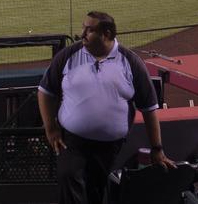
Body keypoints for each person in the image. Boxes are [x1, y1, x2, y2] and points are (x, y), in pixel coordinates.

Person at [37, 12, 174, 204]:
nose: (82, 34)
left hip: (109, 145)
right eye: (83, 27)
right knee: (68, 176)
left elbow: (149, 108)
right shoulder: (69, 55)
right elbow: (45, 91)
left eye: (89, 30)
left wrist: (157, 148)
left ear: (106, 34)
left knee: (96, 189)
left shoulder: (130, 62)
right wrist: (50, 128)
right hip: (72, 140)